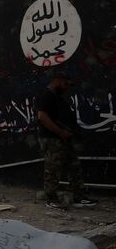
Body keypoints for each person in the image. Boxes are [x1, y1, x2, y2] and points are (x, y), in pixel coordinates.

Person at [37, 72, 97, 209]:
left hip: (64, 138)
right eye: (65, 84)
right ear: (58, 81)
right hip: (53, 139)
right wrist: (60, 132)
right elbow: (42, 117)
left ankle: (79, 197)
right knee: (53, 169)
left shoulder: (57, 98)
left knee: (74, 167)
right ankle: (51, 199)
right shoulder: (46, 96)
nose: (66, 88)